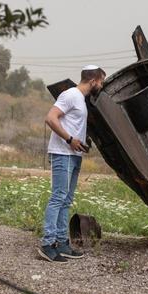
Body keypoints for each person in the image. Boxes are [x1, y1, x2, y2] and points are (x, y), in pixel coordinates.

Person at [38, 65, 105, 262]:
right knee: (58, 197)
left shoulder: (81, 100)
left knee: (65, 200)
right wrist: (69, 140)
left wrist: (81, 141)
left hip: (73, 155)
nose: (101, 85)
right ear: (93, 81)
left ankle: (62, 243)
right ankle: (47, 244)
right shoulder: (70, 95)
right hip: (62, 153)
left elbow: (72, 124)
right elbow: (50, 118)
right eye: (101, 81)